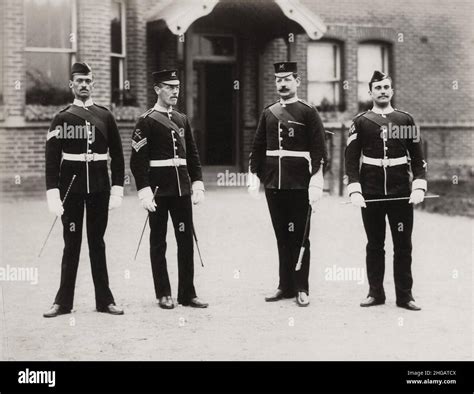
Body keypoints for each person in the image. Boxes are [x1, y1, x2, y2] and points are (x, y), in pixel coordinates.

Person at [43, 62, 125, 318]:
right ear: (71, 85)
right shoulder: (62, 118)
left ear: (93, 84)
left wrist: (117, 188)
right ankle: (63, 302)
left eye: (88, 81)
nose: (84, 85)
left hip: (99, 188)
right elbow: (52, 159)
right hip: (72, 191)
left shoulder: (105, 116)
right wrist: (53, 194)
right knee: (71, 244)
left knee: (97, 243)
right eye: (79, 81)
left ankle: (105, 300)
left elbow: (119, 156)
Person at [345, 71, 427, 311]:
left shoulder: (404, 120)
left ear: (392, 91)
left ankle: (405, 296)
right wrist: (355, 189)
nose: (382, 91)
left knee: (403, 245)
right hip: (371, 192)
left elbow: (417, 157)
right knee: (374, 244)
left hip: (401, 192)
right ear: (370, 92)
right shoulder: (361, 121)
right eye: (377, 87)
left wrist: (419, 185)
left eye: (386, 87)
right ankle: (375, 293)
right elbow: (351, 160)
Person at [248, 62, 327, 307]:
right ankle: (285, 285)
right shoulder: (268, 112)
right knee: (282, 236)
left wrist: (316, 179)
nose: (282, 84)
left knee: (300, 238)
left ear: (297, 81)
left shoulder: (308, 111)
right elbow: (258, 146)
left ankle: (302, 287)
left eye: (287, 79)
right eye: (278, 80)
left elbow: (318, 149)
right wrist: (254, 175)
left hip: (300, 184)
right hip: (274, 183)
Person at [130, 69, 208, 309]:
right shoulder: (147, 120)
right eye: (169, 86)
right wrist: (143, 190)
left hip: (182, 189)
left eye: (177, 86)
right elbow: (137, 160)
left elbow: (192, 154)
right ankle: (163, 293)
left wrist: (197, 183)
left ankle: (187, 293)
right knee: (159, 242)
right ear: (157, 89)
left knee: (186, 241)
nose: (175, 91)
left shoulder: (182, 120)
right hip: (158, 191)